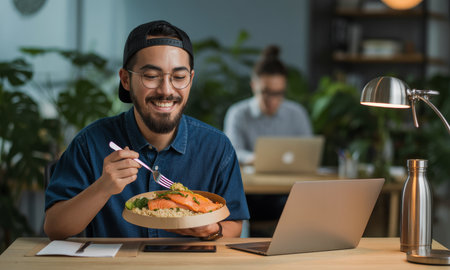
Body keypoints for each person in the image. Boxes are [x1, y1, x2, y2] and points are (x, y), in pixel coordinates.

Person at [44, 20, 249, 240]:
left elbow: (233, 223)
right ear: (125, 79)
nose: (166, 91)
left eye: (179, 77)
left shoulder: (217, 147)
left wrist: (213, 231)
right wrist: (102, 188)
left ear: (190, 79)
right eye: (151, 76)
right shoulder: (90, 143)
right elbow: (55, 227)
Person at [224, 45, 312, 165]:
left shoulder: (297, 113)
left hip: (290, 179)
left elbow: (309, 153)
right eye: (266, 92)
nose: (273, 100)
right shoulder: (238, 113)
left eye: (278, 93)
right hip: (251, 181)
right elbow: (232, 152)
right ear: (254, 86)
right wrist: (256, 159)